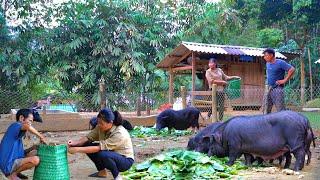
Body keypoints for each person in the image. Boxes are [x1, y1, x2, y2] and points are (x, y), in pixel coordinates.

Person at [67, 108, 134, 180]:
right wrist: (75, 143)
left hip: (125, 161)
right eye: (98, 122)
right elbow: (88, 137)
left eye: (101, 123)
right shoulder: (100, 127)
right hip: (111, 153)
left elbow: (98, 148)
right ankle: (102, 172)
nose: (98, 125)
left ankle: (117, 177)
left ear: (110, 123)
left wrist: (77, 149)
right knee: (87, 144)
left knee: (103, 154)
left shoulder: (120, 133)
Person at [0, 109, 46, 180]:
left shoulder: (17, 134)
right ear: (21, 118)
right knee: (36, 159)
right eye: (30, 121)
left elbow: (21, 154)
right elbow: (27, 126)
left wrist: (33, 147)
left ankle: (16, 173)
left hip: (12, 161)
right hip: (8, 164)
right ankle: (13, 175)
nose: (30, 124)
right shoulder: (16, 125)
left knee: (36, 152)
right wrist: (41, 136)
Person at [263, 48, 295, 113]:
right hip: (268, 88)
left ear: (271, 55)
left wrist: (285, 80)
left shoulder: (280, 63)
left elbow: (292, 69)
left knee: (280, 108)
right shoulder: (267, 63)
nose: (264, 57)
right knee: (266, 108)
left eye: (266, 55)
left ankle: (283, 122)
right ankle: (267, 122)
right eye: (264, 56)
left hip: (277, 88)